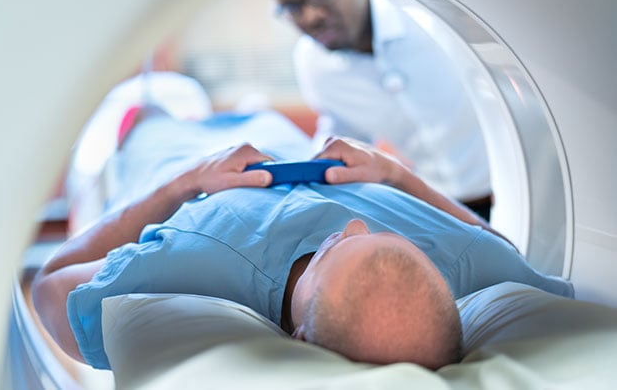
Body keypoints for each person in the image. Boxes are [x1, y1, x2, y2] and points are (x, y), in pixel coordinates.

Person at [32, 104, 572, 372]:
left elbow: (49, 285)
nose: (353, 225)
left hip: (170, 154)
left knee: (146, 117)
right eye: (382, 237)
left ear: (299, 341)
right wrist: (392, 174)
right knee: (259, 111)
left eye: (335, 249)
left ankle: (149, 115)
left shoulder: (187, 267)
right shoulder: (466, 260)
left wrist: (187, 180)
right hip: (284, 139)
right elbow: (501, 244)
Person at [266, 0, 493, 219]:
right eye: (292, 7)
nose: (311, 17)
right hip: (438, 206)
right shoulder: (313, 63)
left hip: (515, 187)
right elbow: (343, 134)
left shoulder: (431, 19)